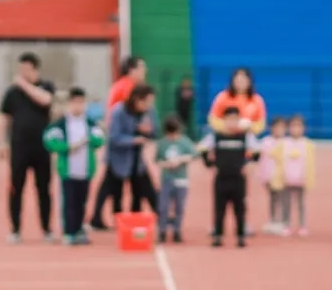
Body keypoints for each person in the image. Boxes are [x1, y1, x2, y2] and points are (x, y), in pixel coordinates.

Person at [0, 51, 56, 244]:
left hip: (42, 147)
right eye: (20, 69)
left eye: (26, 69)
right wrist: (1, 144)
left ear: (35, 69)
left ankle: (46, 229)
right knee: (16, 188)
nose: (22, 73)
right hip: (19, 147)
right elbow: (3, 117)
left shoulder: (45, 86)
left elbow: (45, 100)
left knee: (44, 189)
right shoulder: (12, 93)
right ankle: (15, 229)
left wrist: (24, 85)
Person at [89, 56, 147, 231]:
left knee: (113, 183)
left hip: (123, 141)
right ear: (131, 70)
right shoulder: (127, 89)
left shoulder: (121, 86)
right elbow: (123, 116)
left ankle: (108, 216)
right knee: (114, 182)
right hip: (122, 142)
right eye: (142, 68)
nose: (145, 72)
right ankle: (109, 217)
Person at [42, 86, 105, 245]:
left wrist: (91, 140)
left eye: (81, 103)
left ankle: (78, 229)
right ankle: (69, 231)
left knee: (82, 201)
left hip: (85, 170)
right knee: (69, 202)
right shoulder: (61, 124)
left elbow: (100, 139)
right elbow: (49, 140)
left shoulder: (89, 124)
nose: (78, 106)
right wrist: (66, 148)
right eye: (75, 102)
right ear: (70, 103)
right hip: (69, 171)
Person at [199, 105, 260, 247]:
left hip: (238, 178)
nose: (232, 122)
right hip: (221, 177)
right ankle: (218, 236)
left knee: (240, 208)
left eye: (235, 119)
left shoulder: (245, 136)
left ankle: (240, 236)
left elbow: (257, 150)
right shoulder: (216, 136)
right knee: (219, 208)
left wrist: (250, 163)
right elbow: (202, 148)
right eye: (229, 119)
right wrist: (209, 163)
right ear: (224, 120)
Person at [106, 85, 159, 216]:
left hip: (137, 159)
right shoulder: (119, 111)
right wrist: (133, 140)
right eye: (146, 102)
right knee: (113, 192)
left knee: (141, 190)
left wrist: (148, 131)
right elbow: (114, 137)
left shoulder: (149, 112)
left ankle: (138, 220)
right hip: (118, 158)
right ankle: (117, 221)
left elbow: (155, 132)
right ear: (137, 99)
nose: (149, 105)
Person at [156, 115, 197, 244]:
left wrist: (181, 160)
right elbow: (158, 160)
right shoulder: (162, 143)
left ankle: (177, 231)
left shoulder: (184, 142)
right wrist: (167, 164)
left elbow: (194, 155)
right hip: (167, 178)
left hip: (181, 179)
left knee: (179, 206)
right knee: (163, 206)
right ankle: (162, 231)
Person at [207, 67, 267, 136]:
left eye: (243, 80)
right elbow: (213, 119)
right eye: (238, 80)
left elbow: (261, 124)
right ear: (232, 81)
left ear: (250, 82)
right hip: (223, 135)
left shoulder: (257, 100)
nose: (241, 83)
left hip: (248, 136)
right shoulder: (222, 97)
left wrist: (249, 127)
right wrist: (227, 127)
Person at [282, 113, 315, 237]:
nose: (296, 129)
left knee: (301, 204)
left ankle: (302, 225)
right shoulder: (283, 143)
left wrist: (308, 177)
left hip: (301, 178)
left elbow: (310, 163)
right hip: (287, 178)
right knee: (286, 203)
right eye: (293, 126)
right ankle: (286, 224)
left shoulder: (307, 144)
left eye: (299, 126)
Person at [259, 117, 290, 235]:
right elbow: (263, 162)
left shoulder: (287, 143)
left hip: (284, 177)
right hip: (270, 177)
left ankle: (284, 221)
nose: (279, 130)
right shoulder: (266, 142)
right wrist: (263, 177)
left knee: (284, 199)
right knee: (273, 200)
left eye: (282, 128)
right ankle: (273, 220)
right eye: (276, 128)